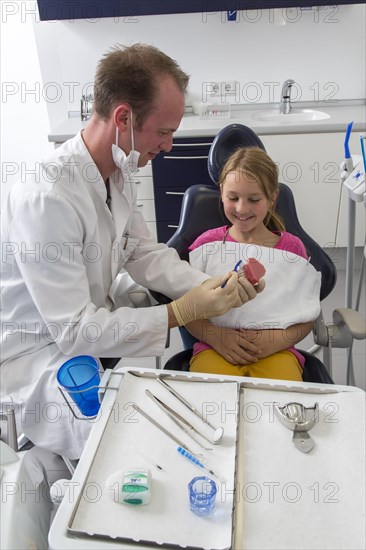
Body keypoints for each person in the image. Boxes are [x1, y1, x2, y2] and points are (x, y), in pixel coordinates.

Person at [0, 44, 260, 459]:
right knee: (117, 451)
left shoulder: (119, 169)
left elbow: (143, 253)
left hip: (91, 321)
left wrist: (212, 287)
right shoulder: (47, 197)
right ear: (124, 118)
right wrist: (181, 312)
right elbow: (74, 332)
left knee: (153, 420)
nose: (170, 145)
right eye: (163, 131)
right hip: (41, 353)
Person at [185, 146, 321, 381]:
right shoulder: (207, 246)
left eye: (254, 199)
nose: (241, 208)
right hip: (215, 347)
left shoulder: (292, 249)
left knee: (279, 408)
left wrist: (274, 342)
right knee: (208, 407)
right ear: (221, 192)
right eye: (233, 197)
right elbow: (188, 311)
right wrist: (217, 337)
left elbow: (307, 317)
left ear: (273, 196)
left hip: (276, 352)